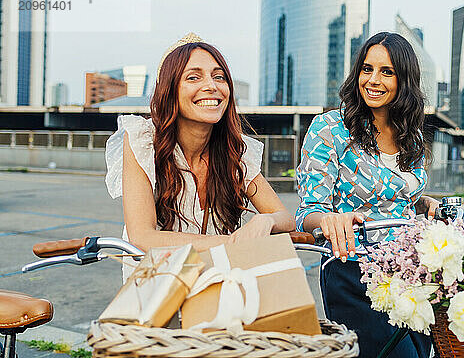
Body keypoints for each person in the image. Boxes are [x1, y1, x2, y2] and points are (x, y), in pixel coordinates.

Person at [296, 32, 439, 358]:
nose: (373, 80)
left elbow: (398, 197)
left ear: (404, 79)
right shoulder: (329, 129)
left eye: (386, 71)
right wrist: (331, 219)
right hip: (353, 271)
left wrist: (422, 203)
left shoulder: (411, 136)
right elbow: (307, 212)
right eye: (367, 69)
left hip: (410, 272)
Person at [105, 33, 294, 280]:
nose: (211, 86)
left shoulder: (235, 150)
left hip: (213, 282)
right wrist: (233, 243)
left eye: (219, 77)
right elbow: (143, 236)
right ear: (169, 90)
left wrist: (265, 222)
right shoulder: (143, 139)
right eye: (193, 77)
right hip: (155, 284)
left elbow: (285, 218)